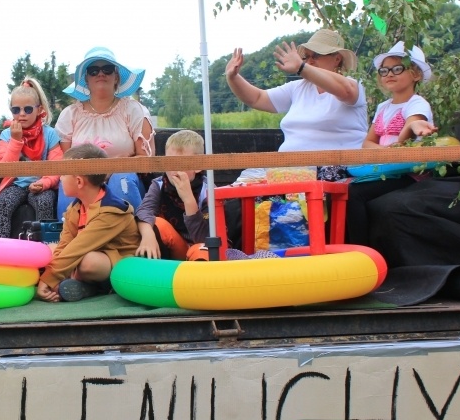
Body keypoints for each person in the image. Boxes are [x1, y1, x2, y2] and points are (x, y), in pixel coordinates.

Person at [226, 28, 368, 183]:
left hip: (334, 172)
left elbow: (346, 91)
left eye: (316, 55)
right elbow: (257, 98)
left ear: (337, 59)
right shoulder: (297, 87)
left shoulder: (354, 85)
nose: (310, 61)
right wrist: (233, 77)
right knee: (243, 188)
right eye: (306, 57)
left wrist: (301, 67)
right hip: (289, 170)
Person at [346, 41, 436, 245]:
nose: (389, 74)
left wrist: (413, 128)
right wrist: (386, 153)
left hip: (408, 172)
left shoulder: (417, 103)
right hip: (384, 168)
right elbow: (367, 143)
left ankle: (361, 248)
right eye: (384, 70)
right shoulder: (383, 107)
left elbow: (408, 135)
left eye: (397, 68)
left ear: (416, 74)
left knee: (355, 193)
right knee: (344, 185)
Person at [55, 46, 154, 219]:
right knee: (69, 183)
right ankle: (69, 238)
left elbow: (146, 161)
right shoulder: (69, 115)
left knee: (121, 179)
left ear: (116, 76)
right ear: (86, 78)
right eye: (93, 70)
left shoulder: (134, 110)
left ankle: (129, 237)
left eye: (107, 69)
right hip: (81, 179)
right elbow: (64, 161)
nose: (101, 74)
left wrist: (108, 170)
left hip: (123, 179)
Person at [36, 144, 141, 303]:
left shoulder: (111, 210)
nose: (60, 178)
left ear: (79, 182)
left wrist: (47, 279)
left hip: (116, 262)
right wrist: (52, 278)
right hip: (85, 254)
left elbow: (78, 247)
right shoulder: (75, 208)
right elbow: (65, 244)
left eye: (63, 174)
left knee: (87, 262)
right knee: (50, 249)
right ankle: (79, 286)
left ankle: (99, 287)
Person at [0, 77, 62, 238]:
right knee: (3, 203)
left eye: (28, 109)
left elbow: (57, 166)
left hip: (41, 185)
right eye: (16, 110)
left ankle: (46, 246)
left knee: (45, 202)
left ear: (39, 110)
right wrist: (16, 140)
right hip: (15, 184)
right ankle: (0, 247)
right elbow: (4, 168)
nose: (22, 114)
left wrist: (44, 183)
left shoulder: (49, 134)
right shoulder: (6, 135)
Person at [135, 130, 209, 260]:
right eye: (169, 162)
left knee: (201, 250)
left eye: (180, 164)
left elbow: (205, 238)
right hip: (174, 248)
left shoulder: (207, 191)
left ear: (198, 166)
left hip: (199, 249)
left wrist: (188, 199)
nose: (173, 170)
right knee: (157, 224)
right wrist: (148, 236)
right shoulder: (159, 184)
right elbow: (143, 211)